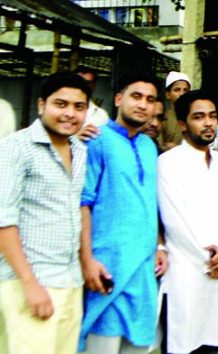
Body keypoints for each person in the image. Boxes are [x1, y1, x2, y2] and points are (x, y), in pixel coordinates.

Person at [0, 72, 90, 353]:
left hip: (70, 280)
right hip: (30, 282)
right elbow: (4, 222)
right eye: (60, 104)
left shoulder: (79, 149)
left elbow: (74, 209)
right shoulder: (16, 147)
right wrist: (30, 284)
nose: (69, 114)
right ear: (42, 105)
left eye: (78, 107)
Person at [77, 73, 165, 354]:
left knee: (138, 345)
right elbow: (84, 203)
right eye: (136, 96)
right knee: (101, 344)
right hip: (108, 266)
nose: (143, 105)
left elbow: (152, 203)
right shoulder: (97, 140)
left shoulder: (149, 147)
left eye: (150, 100)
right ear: (118, 99)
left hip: (143, 269)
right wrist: (88, 259)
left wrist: (160, 246)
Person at [157, 90, 218, 353]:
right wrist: (207, 258)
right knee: (183, 344)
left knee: (213, 345)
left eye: (213, 116)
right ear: (182, 124)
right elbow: (174, 220)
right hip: (186, 269)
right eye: (199, 117)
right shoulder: (168, 162)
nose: (208, 123)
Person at [159, 71, 192, 150]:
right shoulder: (162, 118)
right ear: (168, 95)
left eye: (185, 90)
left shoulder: (194, 117)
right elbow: (158, 146)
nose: (181, 94)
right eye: (177, 90)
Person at [75, 68, 110, 135]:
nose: (83, 85)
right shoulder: (61, 111)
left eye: (88, 83)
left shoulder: (101, 115)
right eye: (79, 82)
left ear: (94, 86)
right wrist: (75, 138)